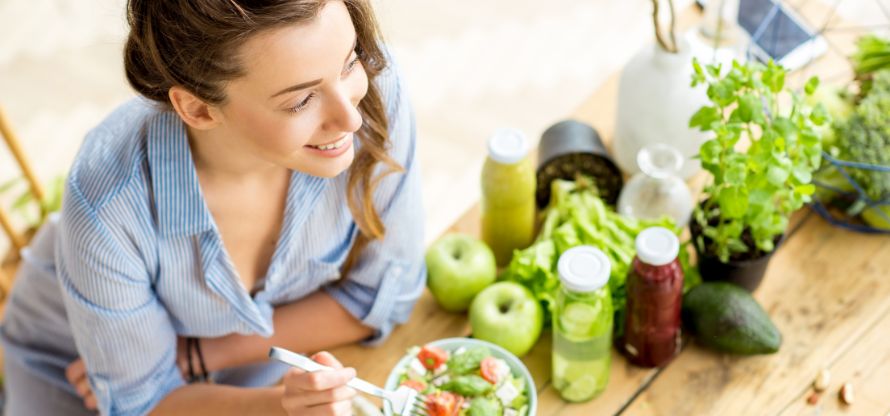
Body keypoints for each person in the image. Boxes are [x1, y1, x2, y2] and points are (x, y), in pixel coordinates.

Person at [0, 0, 426, 414]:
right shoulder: (108, 202)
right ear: (198, 108)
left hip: (244, 369)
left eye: (349, 62)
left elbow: (386, 293)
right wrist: (281, 407)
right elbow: (142, 401)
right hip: (71, 370)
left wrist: (197, 356)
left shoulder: (371, 95)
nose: (350, 120)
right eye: (300, 101)